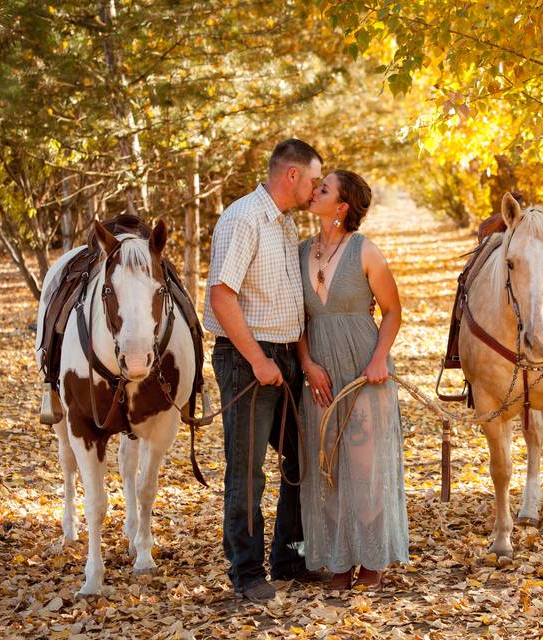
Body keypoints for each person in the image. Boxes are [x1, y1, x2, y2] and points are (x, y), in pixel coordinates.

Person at [204, 139, 323, 602]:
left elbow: (290, 300)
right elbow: (221, 296)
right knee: (247, 469)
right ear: (291, 175)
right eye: (314, 180)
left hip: (286, 357)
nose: (316, 190)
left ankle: (289, 558)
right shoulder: (244, 219)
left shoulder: (286, 225)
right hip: (246, 359)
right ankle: (247, 571)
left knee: (301, 458)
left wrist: (303, 360)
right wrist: (257, 359)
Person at [297, 170, 408, 590]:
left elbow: (392, 311)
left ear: (341, 207)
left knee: (364, 467)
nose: (314, 191)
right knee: (327, 468)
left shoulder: (366, 251)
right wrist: (306, 362)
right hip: (321, 373)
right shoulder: (300, 251)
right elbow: (299, 319)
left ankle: (373, 560)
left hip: (365, 370)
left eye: (323, 189)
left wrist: (379, 359)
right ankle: (340, 560)